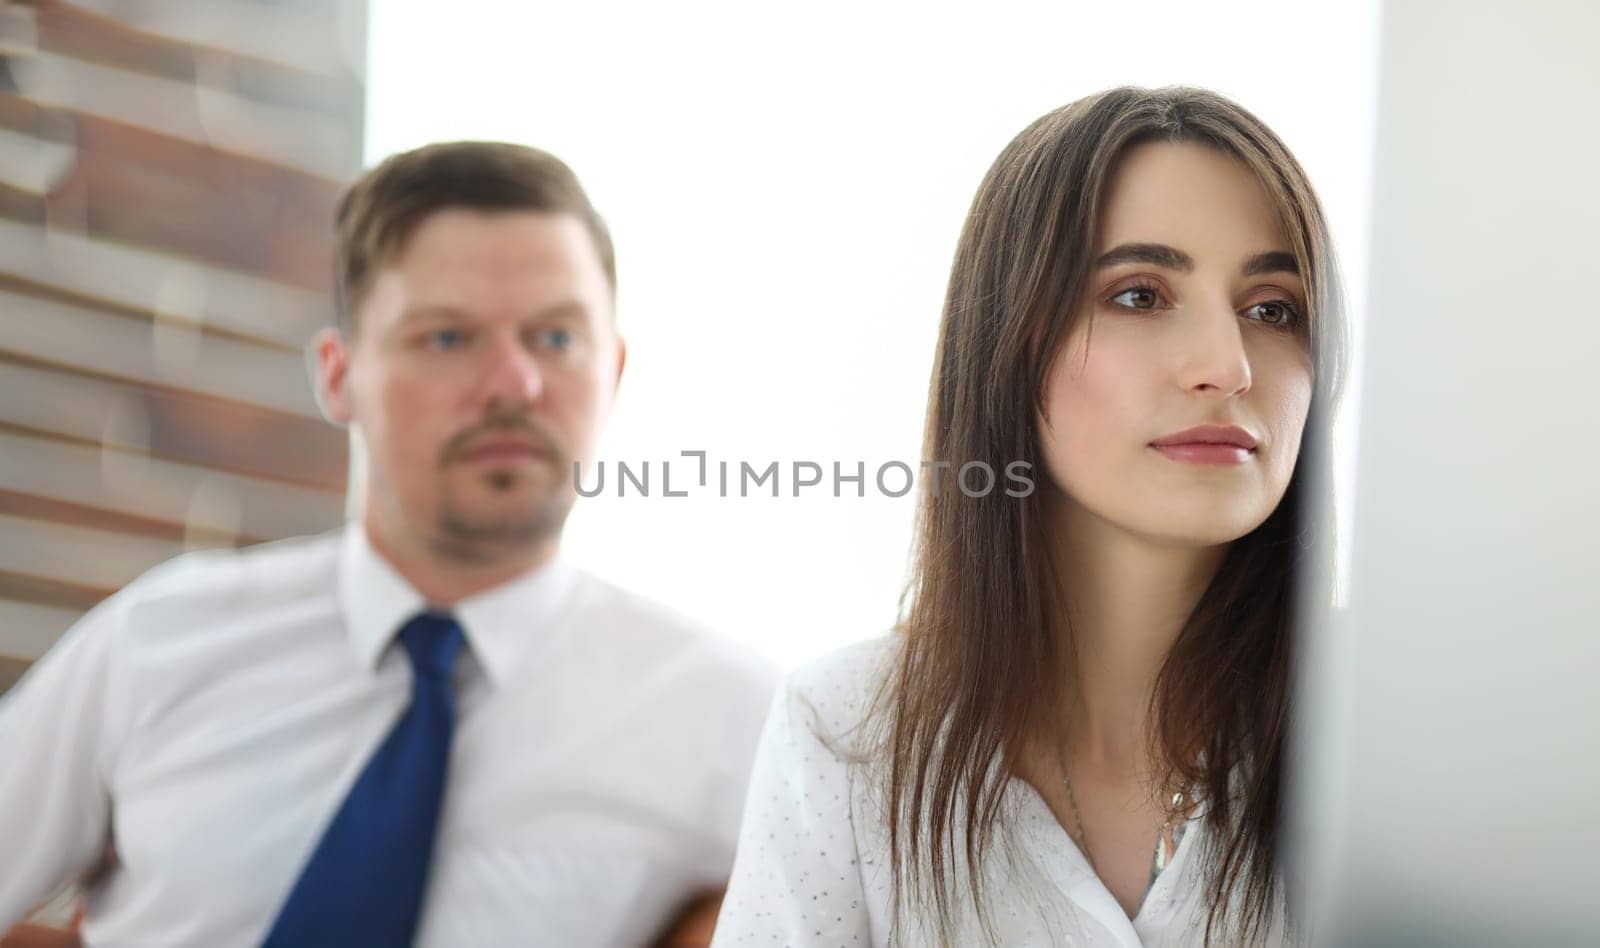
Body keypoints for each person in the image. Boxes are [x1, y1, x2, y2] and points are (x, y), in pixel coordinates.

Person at [0, 141, 778, 946]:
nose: (515, 383)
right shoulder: (157, 642)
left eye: (555, 338)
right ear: (338, 375)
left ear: (612, 371)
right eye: (448, 338)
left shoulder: (736, 722)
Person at [711, 86, 1349, 946]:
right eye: (1139, 295)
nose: (1229, 365)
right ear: (1011, 346)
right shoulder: (850, 733)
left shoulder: (1406, 728)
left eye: (1273, 309)